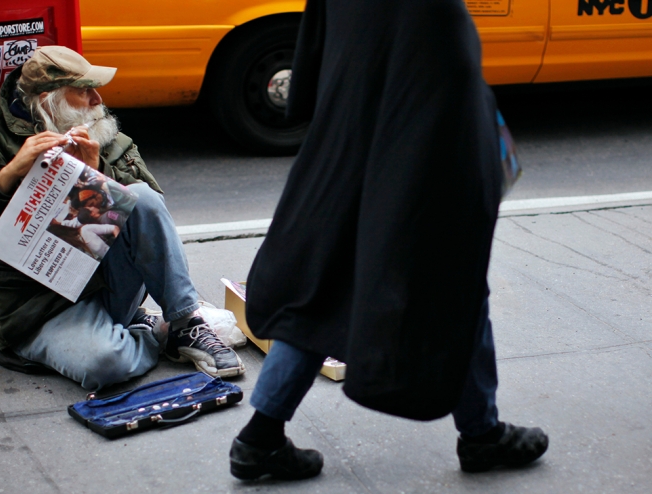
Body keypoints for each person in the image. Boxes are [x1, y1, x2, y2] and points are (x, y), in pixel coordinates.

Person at [229, 0, 548, 480]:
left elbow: (315, 52)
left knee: (323, 282)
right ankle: (482, 434)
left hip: (350, 134)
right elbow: (452, 69)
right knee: (455, 276)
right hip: (416, 148)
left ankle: (260, 435)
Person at [0, 45, 245, 391]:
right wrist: (8, 174)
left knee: (140, 195)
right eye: (84, 91)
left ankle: (185, 322)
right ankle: (151, 332)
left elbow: (152, 213)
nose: (98, 98)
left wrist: (97, 172)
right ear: (50, 100)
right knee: (105, 365)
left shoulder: (106, 137)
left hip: (110, 283)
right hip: (41, 308)